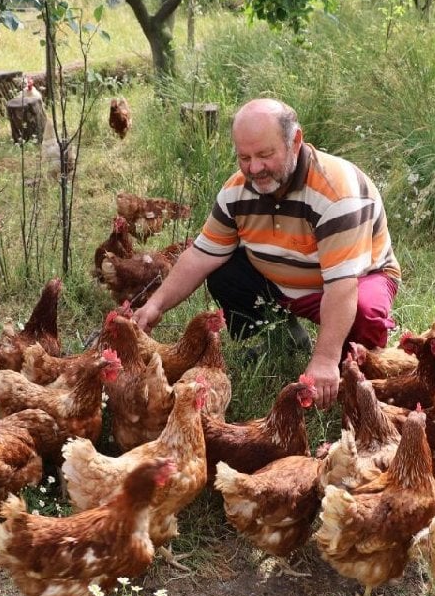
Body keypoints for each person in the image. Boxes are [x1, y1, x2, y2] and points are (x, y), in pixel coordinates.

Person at [132, 98, 400, 410]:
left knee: (365, 313)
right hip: (285, 281)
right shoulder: (236, 190)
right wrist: (154, 306)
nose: (254, 168)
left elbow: (342, 285)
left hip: (353, 281)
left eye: (265, 154)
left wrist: (325, 358)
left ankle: (353, 371)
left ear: (295, 141)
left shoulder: (336, 193)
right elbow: (200, 255)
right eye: (244, 157)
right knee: (223, 271)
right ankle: (281, 339)